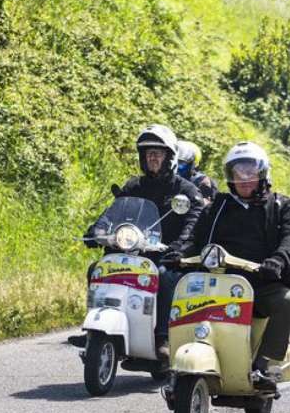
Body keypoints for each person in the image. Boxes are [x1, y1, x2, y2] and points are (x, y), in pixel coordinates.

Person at [181, 142, 290, 391]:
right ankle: (176, 358)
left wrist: (278, 261)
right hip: (217, 282)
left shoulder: (283, 206)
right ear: (231, 176)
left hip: (263, 282)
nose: (245, 178)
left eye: (250, 171)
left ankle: (266, 366)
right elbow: (195, 238)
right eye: (238, 172)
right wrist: (179, 253)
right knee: (178, 290)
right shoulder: (218, 206)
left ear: (262, 173)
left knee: (288, 302)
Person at [84, 125, 203, 359]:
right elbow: (112, 212)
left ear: (170, 157)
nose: (152, 157)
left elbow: (194, 224)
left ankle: (162, 337)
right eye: (148, 153)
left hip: (167, 255)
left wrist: (179, 248)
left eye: (158, 153)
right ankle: (96, 327)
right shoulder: (134, 186)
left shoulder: (186, 190)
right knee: (97, 269)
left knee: (164, 276)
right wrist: (96, 230)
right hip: (134, 251)